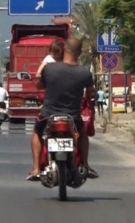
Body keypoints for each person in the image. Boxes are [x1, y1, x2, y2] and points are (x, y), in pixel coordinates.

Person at [26, 37, 98, 181]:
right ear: (79, 53)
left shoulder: (49, 69)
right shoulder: (84, 73)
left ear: (64, 49)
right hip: (73, 116)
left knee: (37, 133)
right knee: (82, 133)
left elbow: (39, 86)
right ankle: (85, 164)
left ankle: (35, 169)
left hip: (48, 115)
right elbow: (91, 93)